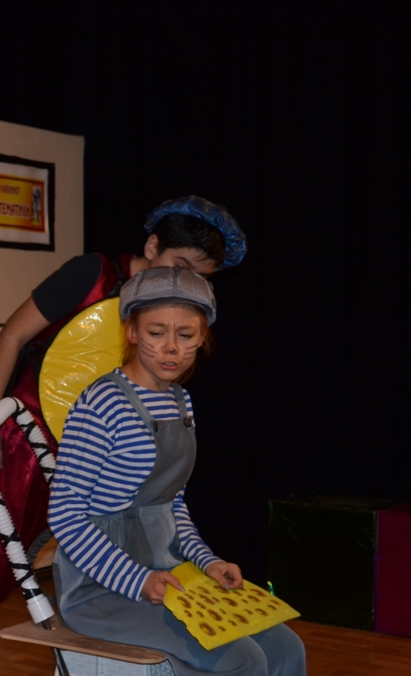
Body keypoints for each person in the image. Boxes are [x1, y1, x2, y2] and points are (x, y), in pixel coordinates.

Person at [0, 197, 246, 676]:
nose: (183, 282)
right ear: (152, 246)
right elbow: (12, 336)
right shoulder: (92, 274)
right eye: (179, 265)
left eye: (200, 278)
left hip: (119, 461)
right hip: (35, 443)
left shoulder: (176, 376)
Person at [48, 266, 305, 674]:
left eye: (186, 335)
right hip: (100, 587)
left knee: (287, 648)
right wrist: (137, 579)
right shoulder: (101, 404)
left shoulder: (181, 401)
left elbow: (171, 506)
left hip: (167, 574)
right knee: (242, 659)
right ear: (131, 331)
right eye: (156, 333)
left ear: (202, 338)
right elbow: (64, 514)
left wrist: (207, 561)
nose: (171, 348)